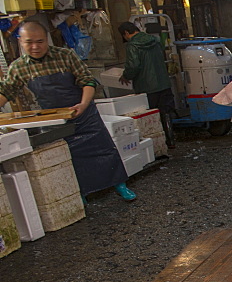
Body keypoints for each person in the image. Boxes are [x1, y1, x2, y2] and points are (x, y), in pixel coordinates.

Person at [0, 21, 135, 201]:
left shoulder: (65, 55)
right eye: (29, 42)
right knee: (71, 159)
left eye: (40, 41)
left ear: (46, 40)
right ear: (20, 41)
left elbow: (87, 81)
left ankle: (120, 185)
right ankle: (81, 195)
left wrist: (83, 104)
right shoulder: (18, 67)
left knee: (104, 150)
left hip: (84, 114)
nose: (35, 47)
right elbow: (6, 91)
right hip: (55, 121)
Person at [118, 22, 175, 148]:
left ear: (126, 33)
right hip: (164, 83)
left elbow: (133, 66)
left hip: (146, 86)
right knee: (165, 113)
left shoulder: (132, 45)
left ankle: (155, 145)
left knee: (150, 117)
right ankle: (170, 141)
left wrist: (126, 76)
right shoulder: (155, 40)